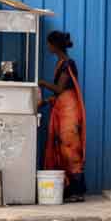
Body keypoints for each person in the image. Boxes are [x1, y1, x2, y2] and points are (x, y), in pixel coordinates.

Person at [38, 30, 86, 202]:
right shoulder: (61, 63)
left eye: (49, 43)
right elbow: (60, 93)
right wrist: (46, 102)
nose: (48, 46)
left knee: (70, 148)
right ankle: (67, 189)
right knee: (61, 149)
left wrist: (43, 83)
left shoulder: (67, 64)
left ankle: (77, 191)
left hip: (69, 110)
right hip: (63, 108)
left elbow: (60, 89)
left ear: (55, 45)